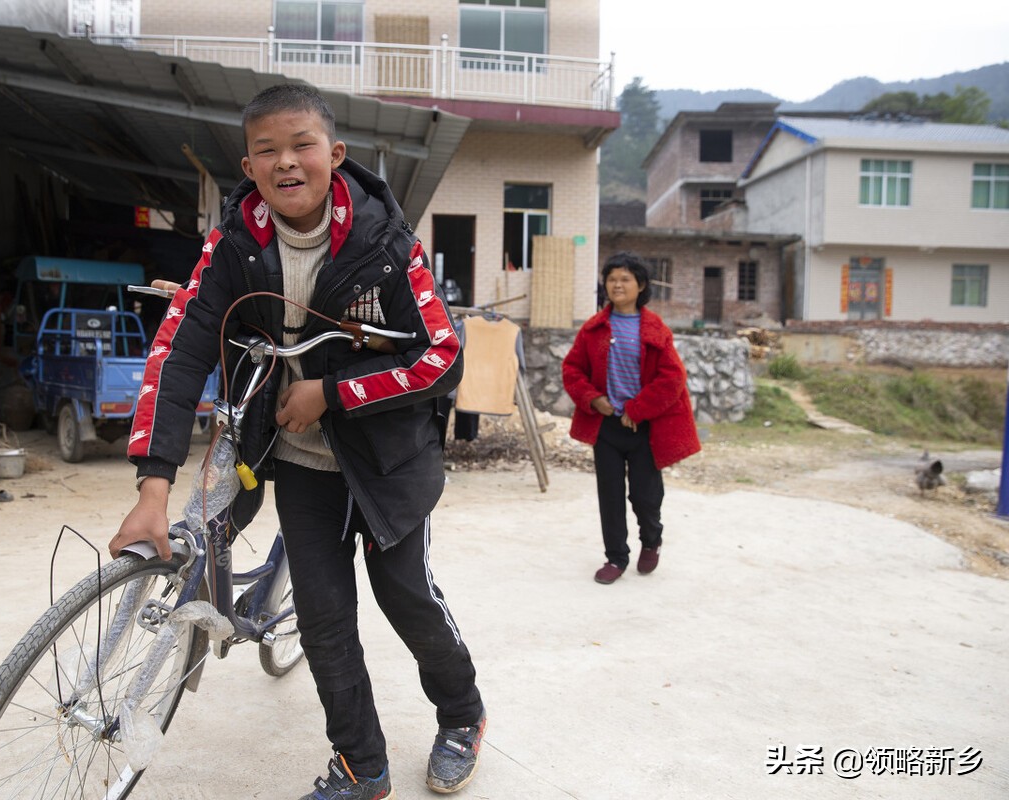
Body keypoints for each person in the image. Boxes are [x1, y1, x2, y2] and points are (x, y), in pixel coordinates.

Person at [109, 83, 486, 800]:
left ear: (334, 155)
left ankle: (462, 716)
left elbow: (442, 357)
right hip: (302, 462)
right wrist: (152, 485)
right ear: (248, 167)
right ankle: (362, 766)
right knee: (322, 619)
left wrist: (333, 392)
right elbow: (181, 348)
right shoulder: (234, 245)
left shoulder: (385, 243)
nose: (286, 163)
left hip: (386, 460)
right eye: (267, 151)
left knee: (405, 597)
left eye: (301, 146)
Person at [561, 251, 700, 584]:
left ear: (640, 285)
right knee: (609, 494)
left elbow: (672, 378)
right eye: (611, 279)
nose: (617, 285)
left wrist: (638, 410)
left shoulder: (655, 329)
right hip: (606, 425)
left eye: (625, 279)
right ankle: (616, 558)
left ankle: (651, 539)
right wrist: (593, 400)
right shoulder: (594, 329)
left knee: (645, 495)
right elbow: (572, 369)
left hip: (644, 427)